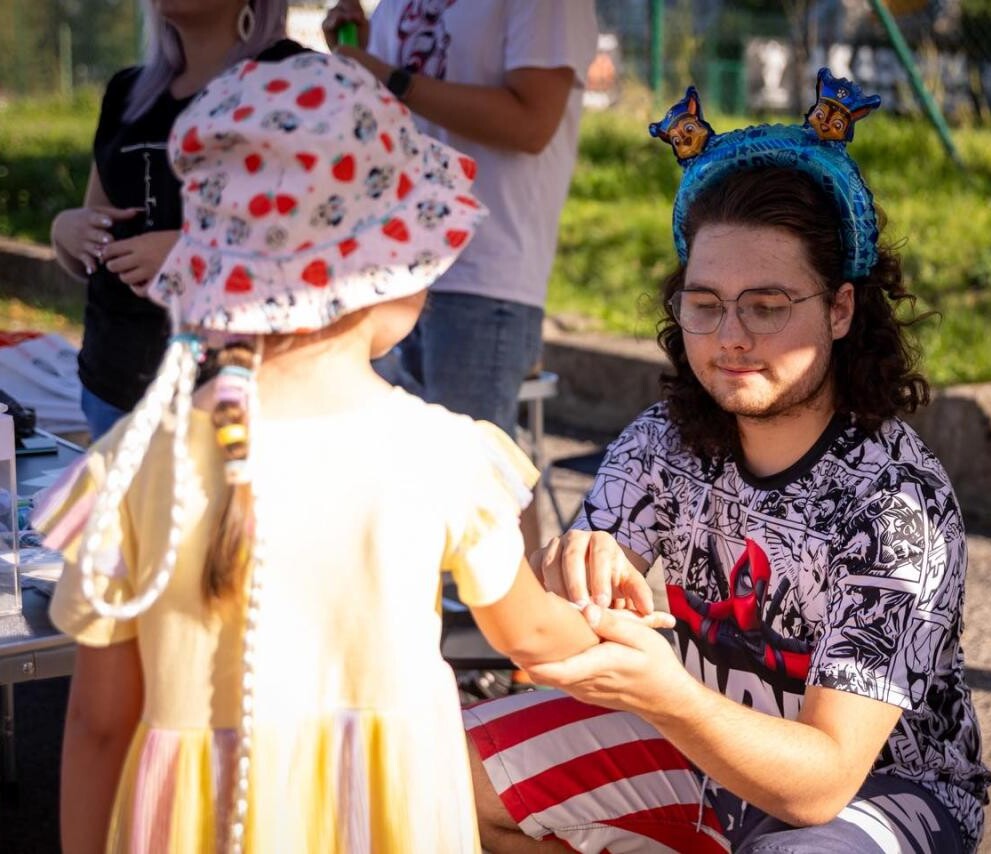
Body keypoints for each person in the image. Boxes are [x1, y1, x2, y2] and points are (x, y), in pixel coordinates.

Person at [34, 53, 669, 853]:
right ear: (388, 272)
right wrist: (627, 636)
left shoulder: (131, 465)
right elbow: (535, 640)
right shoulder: (441, 454)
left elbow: (98, 726)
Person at [462, 73, 991, 854]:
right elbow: (551, 641)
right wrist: (511, 546)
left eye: (768, 305)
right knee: (431, 769)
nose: (730, 337)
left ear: (841, 309)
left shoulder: (894, 505)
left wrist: (671, 694)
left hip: (880, 790)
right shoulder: (662, 442)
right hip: (698, 750)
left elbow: (821, 781)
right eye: (705, 303)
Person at [319, 0, 597, 440]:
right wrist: (363, 57)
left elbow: (532, 123)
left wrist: (387, 76)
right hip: (389, 270)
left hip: (483, 278)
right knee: (393, 474)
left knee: (478, 489)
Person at [49, 0, 304, 441]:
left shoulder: (297, 82)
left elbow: (329, 249)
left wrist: (194, 254)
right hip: (112, 391)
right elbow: (92, 241)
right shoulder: (127, 93)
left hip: (233, 396)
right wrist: (65, 232)